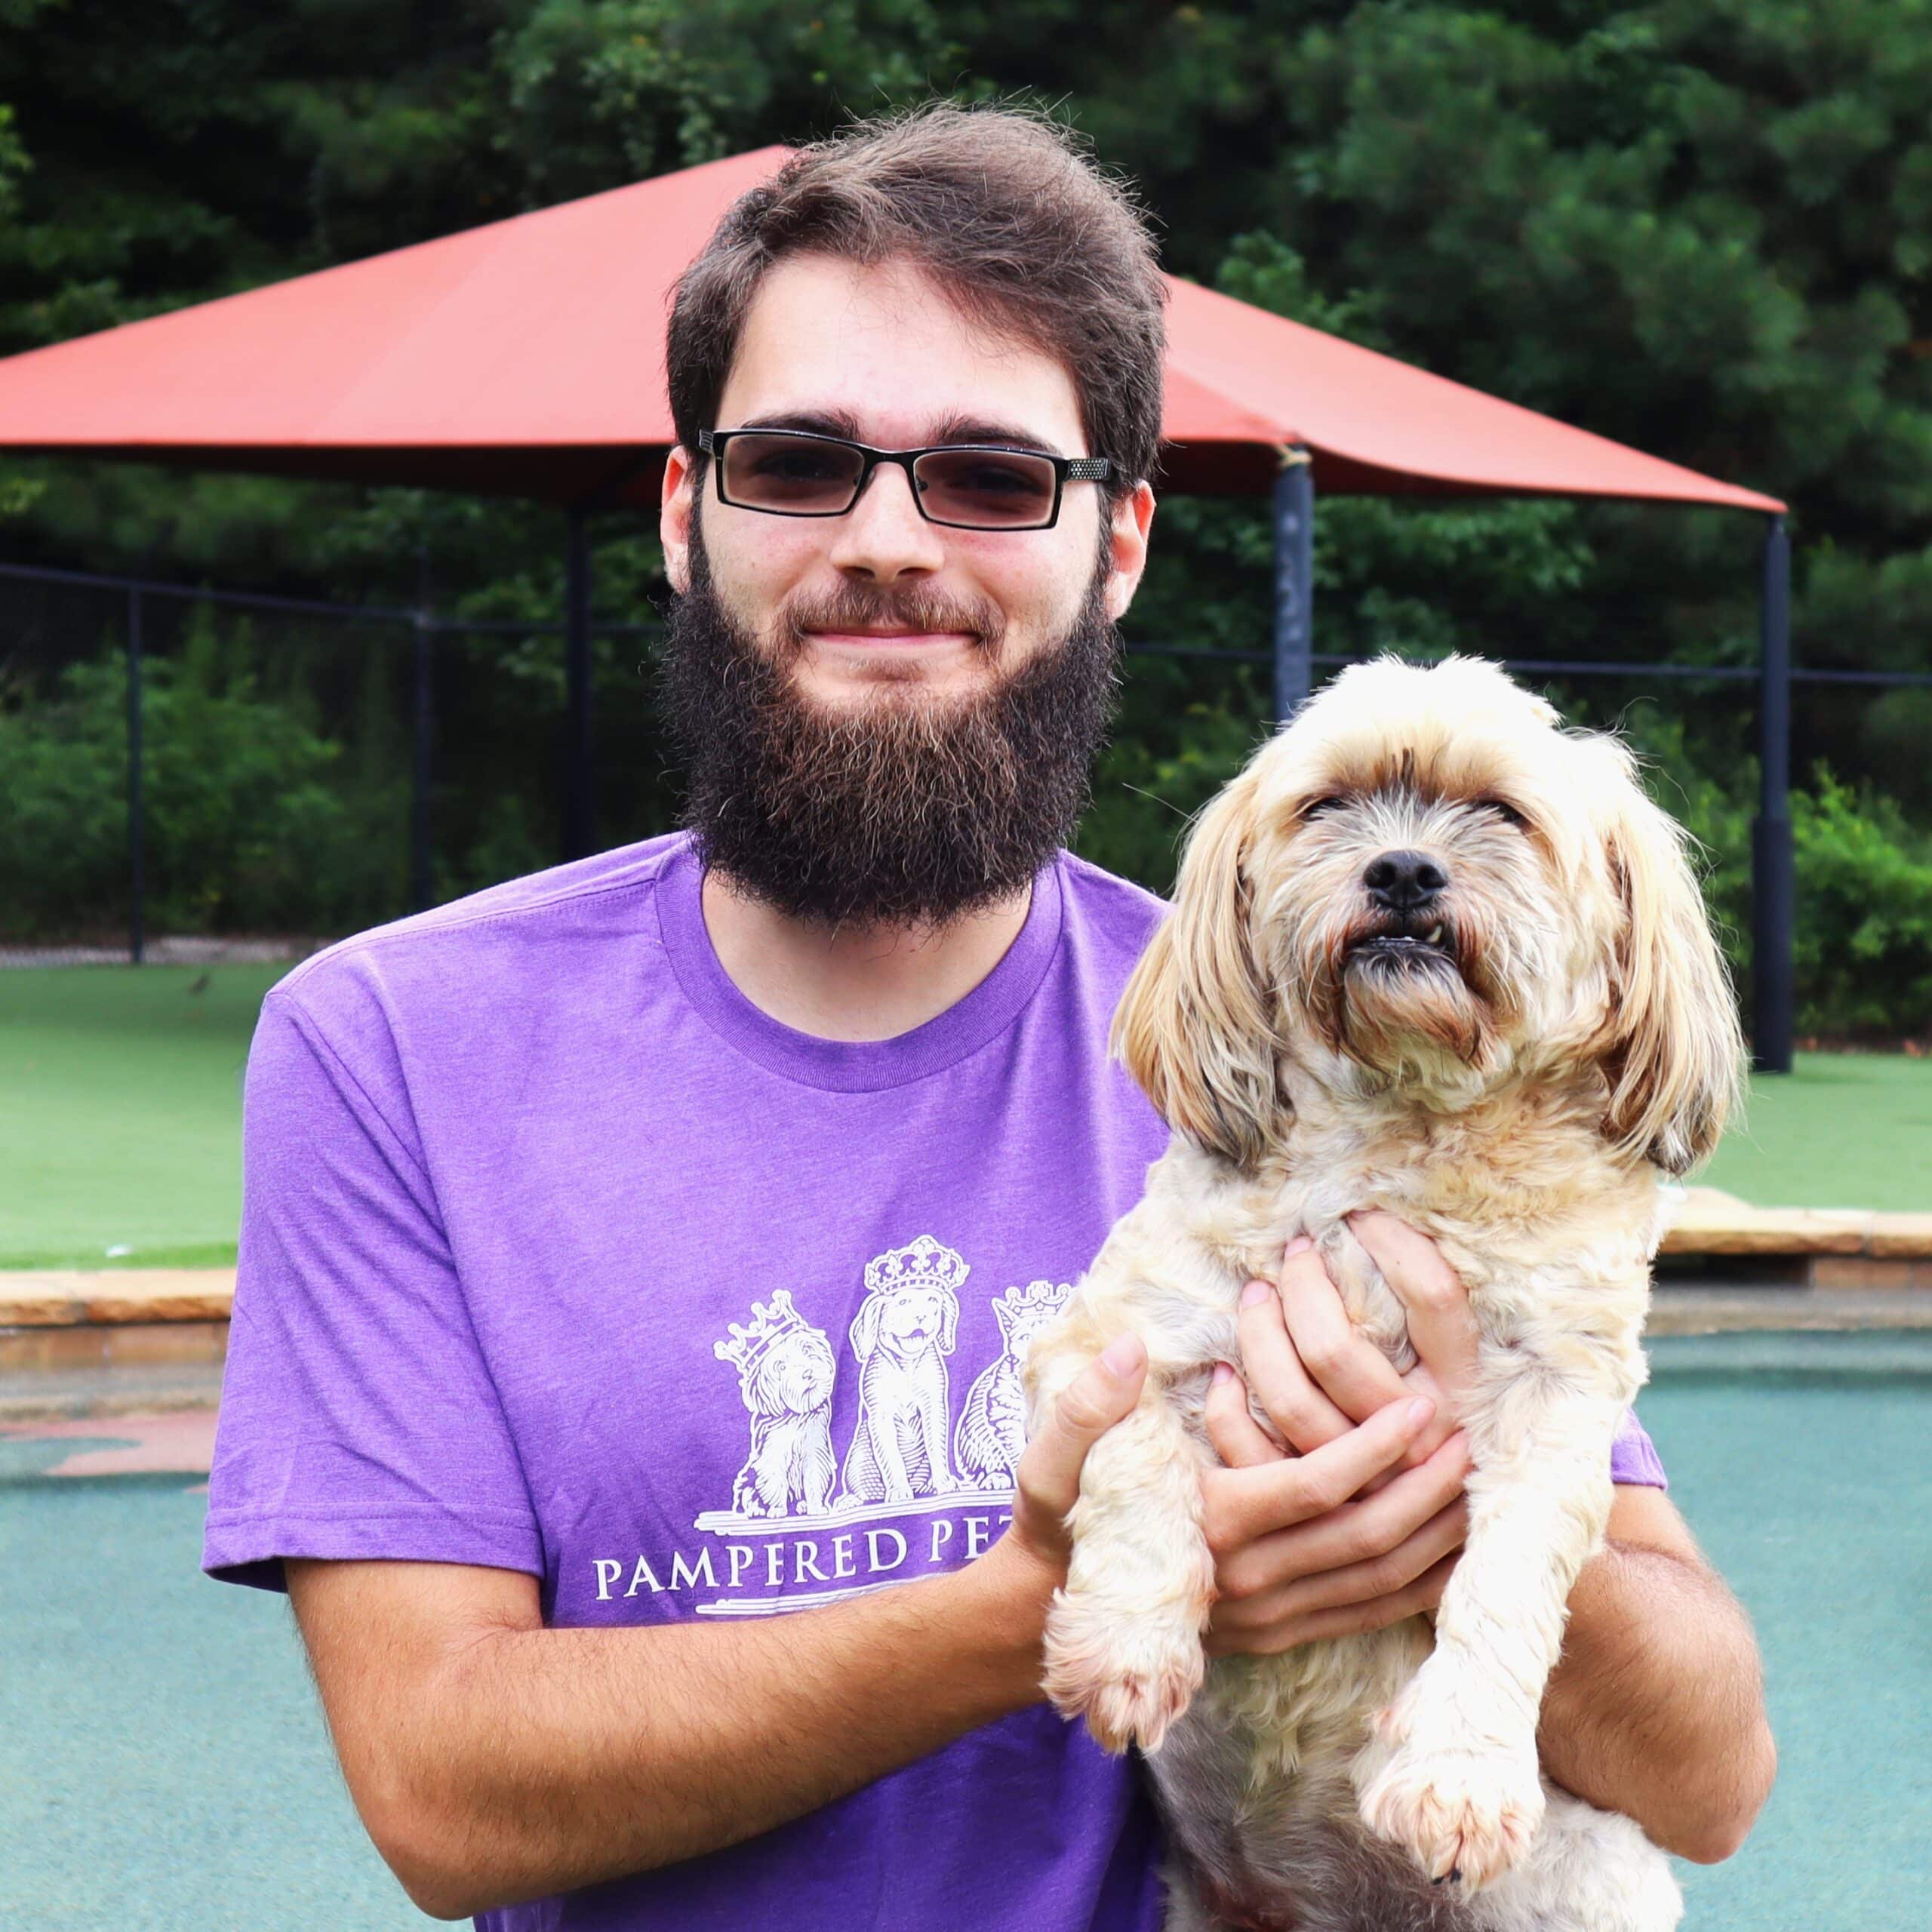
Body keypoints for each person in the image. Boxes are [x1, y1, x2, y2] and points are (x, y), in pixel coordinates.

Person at [202, 103, 1774, 1929]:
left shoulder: (1310, 1060)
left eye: (990, 475)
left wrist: (1432, 1507)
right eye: (797, 461)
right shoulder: (390, 1045)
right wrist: (1041, 1585)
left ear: (1113, 544)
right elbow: (442, 1790)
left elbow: (1709, 1772)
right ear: (680, 511)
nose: (886, 540)